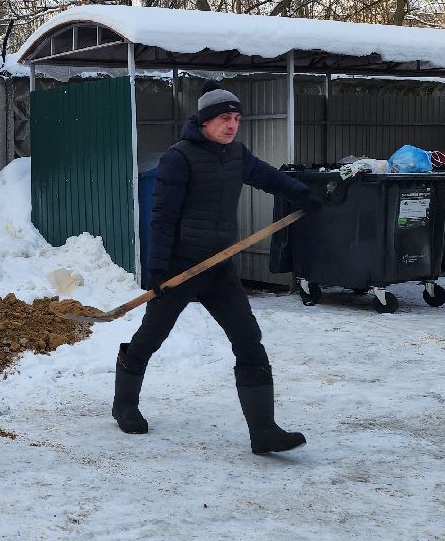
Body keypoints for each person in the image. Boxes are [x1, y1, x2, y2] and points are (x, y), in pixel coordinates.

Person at [114, 87, 322, 454]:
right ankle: (124, 404)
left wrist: (304, 193)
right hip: (181, 268)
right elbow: (162, 216)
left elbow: (270, 178)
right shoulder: (179, 157)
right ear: (205, 120)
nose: (232, 125)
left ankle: (263, 431)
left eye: (237, 119)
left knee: (248, 339)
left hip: (220, 267)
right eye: (225, 118)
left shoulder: (237, 155)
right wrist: (157, 269)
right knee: (151, 338)